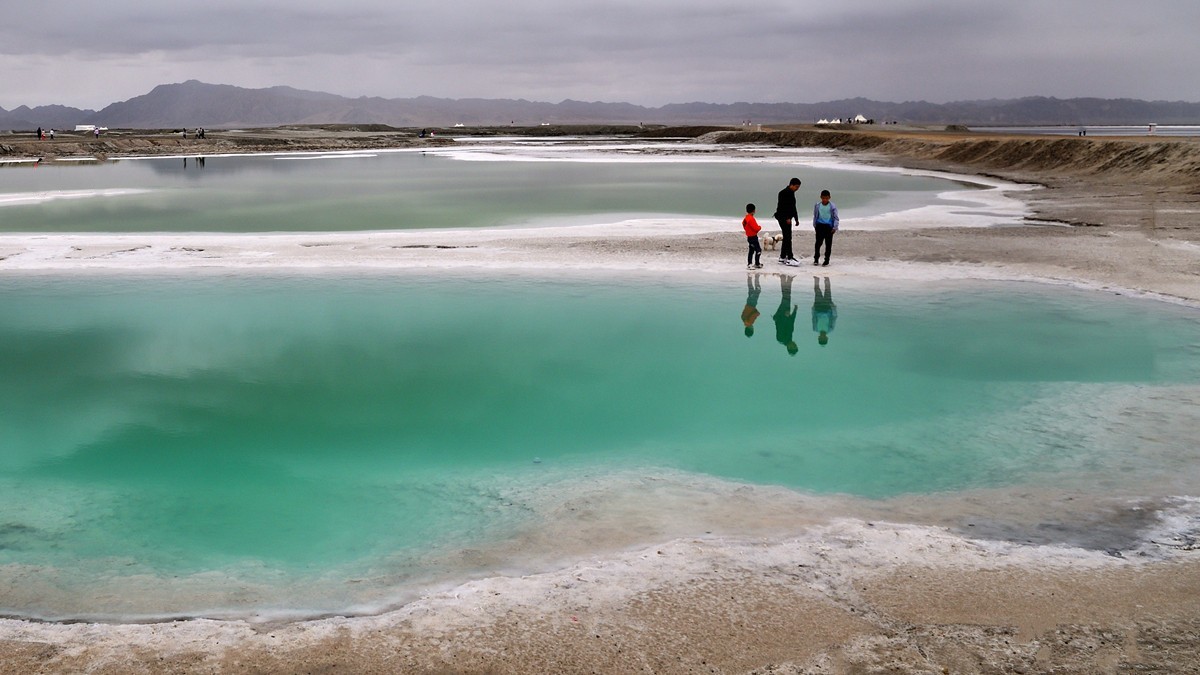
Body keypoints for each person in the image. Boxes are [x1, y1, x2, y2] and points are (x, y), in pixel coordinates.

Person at [773, 177, 802, 265]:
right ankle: (789, 258)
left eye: (798, 187)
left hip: (788, 218)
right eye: (796, 187)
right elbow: (782, 207)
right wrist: (787, 218)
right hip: (783, 218)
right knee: (788, 238)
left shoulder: (791, 193)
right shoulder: (783, 193)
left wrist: (796, 219)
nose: (797, 189)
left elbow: (793, 207)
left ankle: (782, 257)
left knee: (787, 237)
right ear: (791, 185)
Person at [772, 274, 799, 355]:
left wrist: (785, 316)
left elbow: (780, 325)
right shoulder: (789, 338)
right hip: (785, 315)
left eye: (794, 346)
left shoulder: (781, 339)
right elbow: (791, 323)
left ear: (789, 347)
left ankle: (784, 279)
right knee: (786, 297)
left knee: (786, 298)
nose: (795, 344)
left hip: (781, 315)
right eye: (796, 346)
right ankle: (786, 279)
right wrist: (795, 311)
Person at [812, 189, 839, 266]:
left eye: (826, 198)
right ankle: (816, 259)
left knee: (828, 244)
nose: (825, 200)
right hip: (819, 226)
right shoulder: (817, 205)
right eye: (823, 198)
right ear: (821, 197)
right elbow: (815, 216)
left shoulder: (832, 206)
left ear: (829, 198)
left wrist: (835, 227)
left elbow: (836, 217)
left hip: (829, 227)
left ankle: (826, 260)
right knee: (818, 244)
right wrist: (815, 225)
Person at [811, 276, 837, 346]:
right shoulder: (830, 329)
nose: (822, 337)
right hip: (827, 308)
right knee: (828, 291)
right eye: (824, 339)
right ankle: (827, 278)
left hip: (818, 307)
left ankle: (816, 279)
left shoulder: (815, 328)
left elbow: (813, 318)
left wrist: (813, 309)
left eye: (821, 339)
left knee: (817, 291)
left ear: (818, 338)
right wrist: (834, 308)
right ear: (826, 338)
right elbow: (834, 318)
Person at [742, 202, 763, 269]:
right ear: (754, 210)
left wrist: (747, 230)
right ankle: (756, 263)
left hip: (749, 236)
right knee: (758, 250)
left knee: (751, 250)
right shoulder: (751, 219)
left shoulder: (746, 218)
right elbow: (756, 228)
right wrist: (760, 227)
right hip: (753, 237)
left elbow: (743, 224)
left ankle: (750, 263)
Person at [741, 273, 761, 337]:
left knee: (758, 290)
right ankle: (749, 277)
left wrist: (758, 314)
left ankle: (757, 276)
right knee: (750, 289)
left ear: (751, 329)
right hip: (748, 303)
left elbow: (755, 314)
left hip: (752, 304)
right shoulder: (743, 320)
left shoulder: (750, 322)